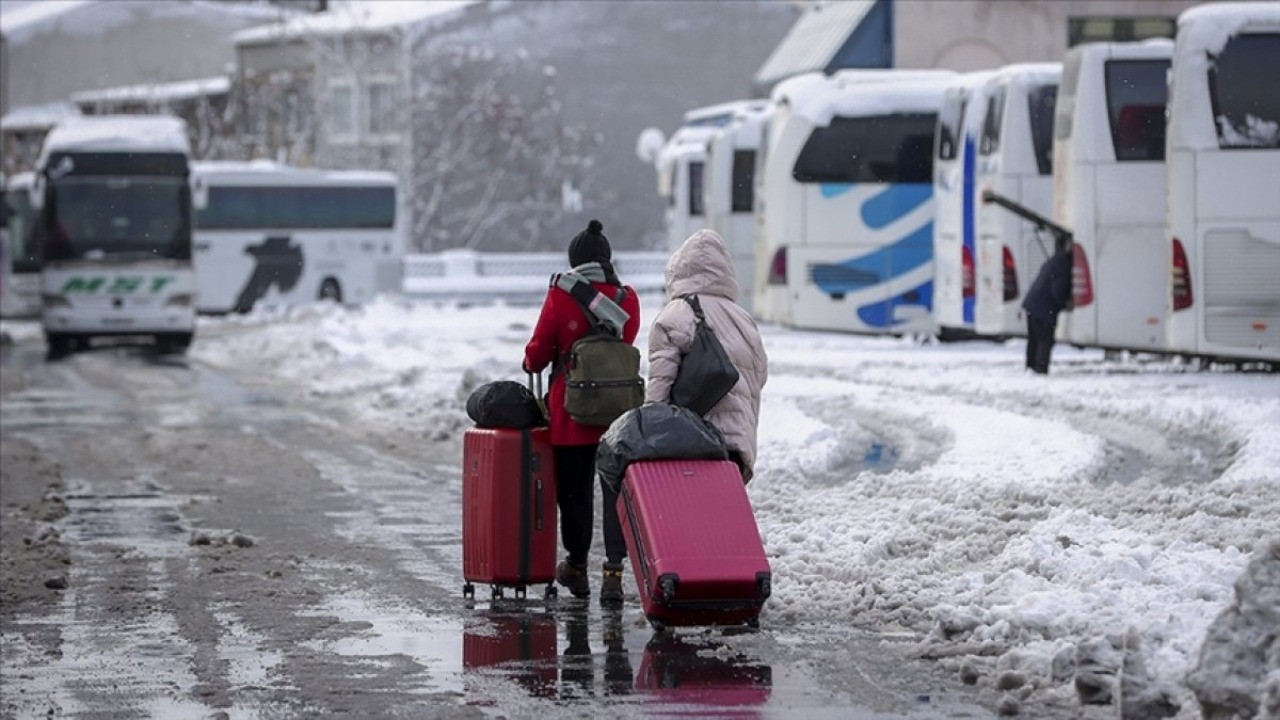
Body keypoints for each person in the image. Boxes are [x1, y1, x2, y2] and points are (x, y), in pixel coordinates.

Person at [523, 219, 640, 604]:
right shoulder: (628, 300)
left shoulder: (562, 295)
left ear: (575, 262)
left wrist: (530, 361)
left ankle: (575, 566)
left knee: (574, 495)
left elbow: (539, 352)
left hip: (573, 415)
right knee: (615, 496)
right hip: (617, 418)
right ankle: (613, 572)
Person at [645, 228, 768, 483]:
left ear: (680, 269)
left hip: (690, 440)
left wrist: (649, 434)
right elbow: (758, 380)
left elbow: (660, 384)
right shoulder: (743, 318)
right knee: (720, 517)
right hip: (736, 445)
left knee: (689, 518)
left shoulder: (674, 315)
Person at [1021, 242, 1074, 374]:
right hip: (1044, 307)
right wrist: (1065, 303)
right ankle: (1040, 369)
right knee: (1045, 340)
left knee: (1034, 339)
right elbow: (1058, 291)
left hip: (1032, 303)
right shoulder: (1065, 266)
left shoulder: (1057, 259)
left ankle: (1030, 367)